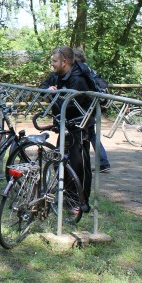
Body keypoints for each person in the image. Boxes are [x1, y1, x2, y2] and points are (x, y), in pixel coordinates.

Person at [46, 46, 94, 212]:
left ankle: (82, 202)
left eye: (54, 61)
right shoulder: (57, 76)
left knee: (79, 164)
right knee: (62, 162)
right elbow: (44, 86)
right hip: (64, 127)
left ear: (64, 62)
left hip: (79, 128)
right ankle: (67, 196)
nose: (52, 64)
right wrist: (49, 91)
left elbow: (72, 105)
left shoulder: (78, 79)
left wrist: (55, 95)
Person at [73, 48, 111, 173]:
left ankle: (84, 166)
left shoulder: (81, 71)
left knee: (87, 136)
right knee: (92, 136)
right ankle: (103, 162)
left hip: (85, 108)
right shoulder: (89, 70)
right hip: (90, 108)